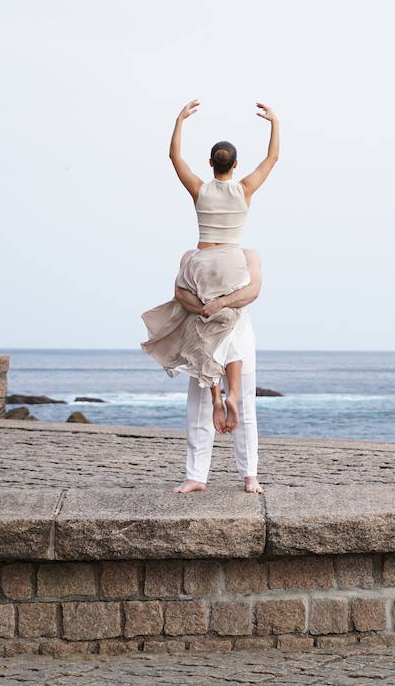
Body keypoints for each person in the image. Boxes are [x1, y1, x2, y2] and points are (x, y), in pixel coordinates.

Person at [140, 99, 278, 488]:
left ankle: (196, 475)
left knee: (200, 389)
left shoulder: (200, 190)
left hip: (203, 261)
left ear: (211, 164)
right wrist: (274, 122)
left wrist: (179, 119)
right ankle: (249, 475)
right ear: (234, 166)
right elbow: (273, 158)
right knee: (244, 388)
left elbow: (173, 157)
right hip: (232, 264)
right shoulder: (245, 190)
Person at [170, 249, 264, 494]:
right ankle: (198, 476)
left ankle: (247, 475)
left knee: (235, 405)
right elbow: (180, 293)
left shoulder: (246, 255)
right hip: (203, 333)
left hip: (232, 332)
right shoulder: (191, 256)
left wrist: (217, 305)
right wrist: (209, 309)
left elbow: (253, 291)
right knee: (204, 406)